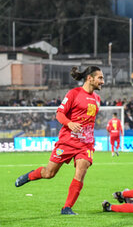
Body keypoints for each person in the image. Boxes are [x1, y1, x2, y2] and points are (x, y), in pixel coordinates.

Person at [15, 66, 104, 215]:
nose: (103, 81)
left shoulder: (97, 99)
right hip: (67, 142)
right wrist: (69, 123)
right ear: (90, 78)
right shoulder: (73, 94)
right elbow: (59, 113)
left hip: (86, 144)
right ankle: (30, 176)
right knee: (49, 173)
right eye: (100, 78)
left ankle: (67, 208)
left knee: (81, 171)